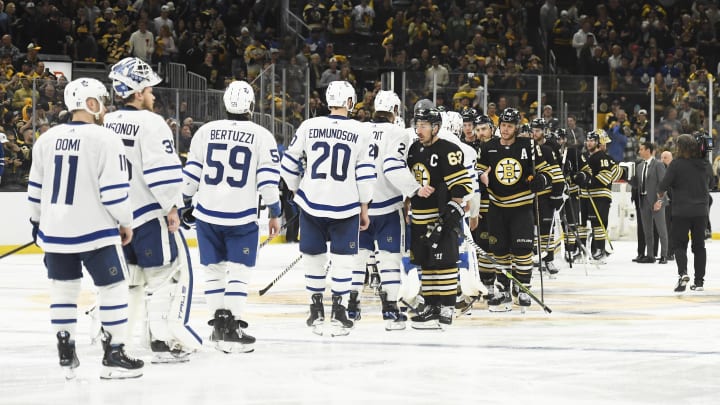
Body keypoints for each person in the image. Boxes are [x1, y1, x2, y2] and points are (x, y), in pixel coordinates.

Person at [27, 77, 143, 379]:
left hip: (56, 233)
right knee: (114, 288)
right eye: (101, 100)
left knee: (63, 291)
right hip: (96, 232)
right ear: (91, 104)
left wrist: (37, 222)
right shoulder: (106, 139)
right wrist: (126, 222)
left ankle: (65, 351)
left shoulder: (46, 139)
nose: (105, 106)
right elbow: (115, 193)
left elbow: (35, 189)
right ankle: (114, 352)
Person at [104, 57, 201, 362]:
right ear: (136, 92)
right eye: (148, 89)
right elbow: (162, 172)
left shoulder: (105, 122)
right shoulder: (152, 123)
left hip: (116, 218)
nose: (153, 94)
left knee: (126, 281)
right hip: (147, 216)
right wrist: (173, 205)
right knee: (166, 275)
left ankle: (112, 338)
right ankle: (161, 338)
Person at [181, 80, 281, 352]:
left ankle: (218, 328)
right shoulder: (262, 135)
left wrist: (183, 202)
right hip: (241, 216)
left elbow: (191, 175)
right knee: (239, 271)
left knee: (213, 271)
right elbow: (268, 183)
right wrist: (276, 211)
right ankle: (232, 326)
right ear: (251, 105)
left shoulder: (206, 131)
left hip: (207, 214)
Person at [280, 80, 376, 336]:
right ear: (349, 102)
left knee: (313, 258)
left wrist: (296, 188)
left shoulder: (309, 125)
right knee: (344, 260)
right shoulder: (361, 130)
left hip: (311, 202)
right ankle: (339, 311)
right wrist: (364, 206)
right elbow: (366, 174)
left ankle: (315, 310)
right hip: (345, 205)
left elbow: (289, 163)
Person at [349, 90, 425, 330]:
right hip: (388, 207)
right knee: (389, 260)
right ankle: (391, 310)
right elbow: (395, 167)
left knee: (357, 258)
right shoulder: (399, 132)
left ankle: (351, 306)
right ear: (395, 111)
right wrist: (414, 190)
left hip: (360, 207)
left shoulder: (358, 130)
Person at [476, 108, 562, 312]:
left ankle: (523, 288)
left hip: (522, 206)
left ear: (516, 127)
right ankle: (503, 287)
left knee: (522, 250)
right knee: (500, 250)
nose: (505, 129)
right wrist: (481, 177)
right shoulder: (488, 147)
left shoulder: (530, 146)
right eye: (503, 125)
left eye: (510, 126)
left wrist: (541, 180)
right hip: (497, 206)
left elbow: (546, 171)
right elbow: (478, 169)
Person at [406, 99, 472, 328]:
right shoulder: (413, 149)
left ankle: (447, 306)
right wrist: (407, 208)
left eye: (424, 125)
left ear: (435, 127)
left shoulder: (449, 150)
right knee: (426, 262)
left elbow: (461, 185)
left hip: (439, 215)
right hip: (419, 216)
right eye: (418, 124)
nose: (419, 129)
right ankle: (431, 305)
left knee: (445, 262)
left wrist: (452, 211)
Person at [658, 134, 713, 292]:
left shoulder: (676, 165)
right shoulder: (703, 163)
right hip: (700, 211)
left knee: (679, 245)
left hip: (681, 210)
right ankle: (699, 282)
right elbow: (713, 181)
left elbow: (663, 185)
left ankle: (683, 274)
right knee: (699, 246)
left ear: (679, 147)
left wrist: (661, 195)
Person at [573, 130, 623, 261]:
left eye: (592, 141)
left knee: (598, 224)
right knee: (582, 224)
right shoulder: (585, 157)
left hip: (600, 195)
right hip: (584, 195)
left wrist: (589, 181)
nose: (605, 145)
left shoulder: (603, 157)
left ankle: (599, 250)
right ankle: (582, 250)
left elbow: (608, 177)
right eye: (588, 140)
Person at [529, 118, 565, 275]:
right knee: (530, 229)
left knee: (546, 229)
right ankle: (534, 256)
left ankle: (548, 259)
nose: (534, 133)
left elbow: (557, 173)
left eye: (537, 130)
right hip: (528, 196)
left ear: (544, 131)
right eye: (533, 130)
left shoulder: (549, 149)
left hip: (545, 196)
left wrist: (557, 194)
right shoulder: (525, 148)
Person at [635, 142, 669, 264]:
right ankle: (650, 255)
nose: (639, 152)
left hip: (656, 201)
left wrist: (659, 201)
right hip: (643, 201)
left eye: (641, 149)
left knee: (661, 229)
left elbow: (663, 184)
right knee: (647, 230)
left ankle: (664, 255)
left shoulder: (658, 165)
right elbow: (637, 184)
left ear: (648, 150)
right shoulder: (639, 166)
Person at [660, 150, 674, 260]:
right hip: (666, 202)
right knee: (667, 227)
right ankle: (668, 251)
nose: (663, 160)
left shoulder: (674, 169)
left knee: (673, 228)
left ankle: (671, 251)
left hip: (675, 202)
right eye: (662, 157)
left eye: (665, 157)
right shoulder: (662, 169)